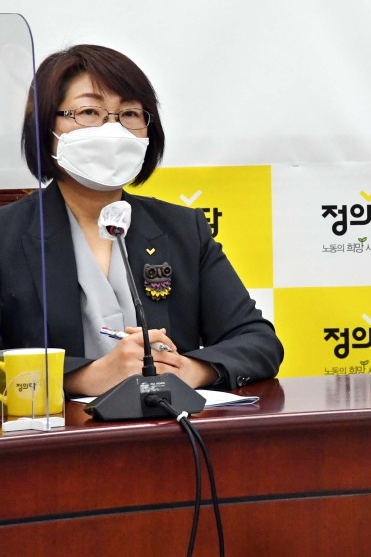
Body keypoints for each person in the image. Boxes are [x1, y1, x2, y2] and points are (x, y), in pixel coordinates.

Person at [0, 45, 284, 395]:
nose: (113, 129)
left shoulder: (183, 229)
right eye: (90, 111)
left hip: (165, 438)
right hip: (56, 442)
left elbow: (258, 342)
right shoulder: (6, 236)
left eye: (130, 114)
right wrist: (86, 377)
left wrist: (189, 369)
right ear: (46, 126)